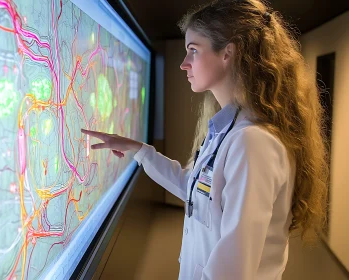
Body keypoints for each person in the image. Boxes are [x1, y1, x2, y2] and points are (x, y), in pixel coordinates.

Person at [81, 0, 329, 279]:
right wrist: (139, 150)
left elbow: (233, 270)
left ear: (228, 53)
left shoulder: (252, 143)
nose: (183, 64)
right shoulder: (232, 130)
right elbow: (196, 191)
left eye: (193, 51)